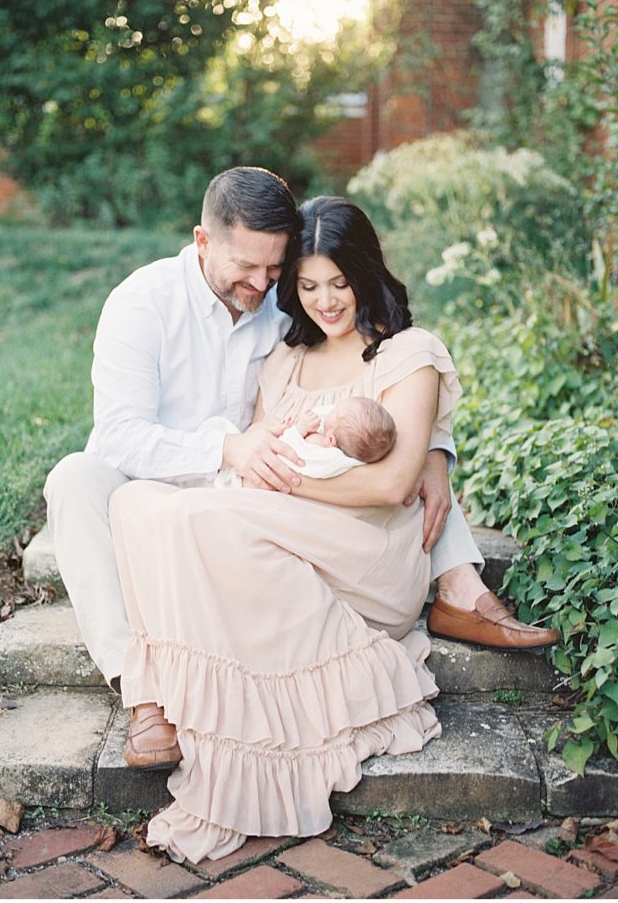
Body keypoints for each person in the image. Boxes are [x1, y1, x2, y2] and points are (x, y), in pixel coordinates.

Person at [43, 168, 557, 762]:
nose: (261, 283)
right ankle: (142, 693)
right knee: (74, 479)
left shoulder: (285, 307)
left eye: (274, 268)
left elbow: (374, 378)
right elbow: (120, 436)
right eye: (248, 267)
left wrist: (437, 454)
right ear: (203, 241)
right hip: (173, 473)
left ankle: (458, 587)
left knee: (362, 471)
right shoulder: (143, 303)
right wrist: (226, 449)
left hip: (257, 488)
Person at [211, 396, 396, 487]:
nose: (332, 409)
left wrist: (298, 429)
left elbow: (294, 455)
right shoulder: (341, 447)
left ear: (331, 439)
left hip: (247, 481)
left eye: (336, 411)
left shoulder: (318, 443)